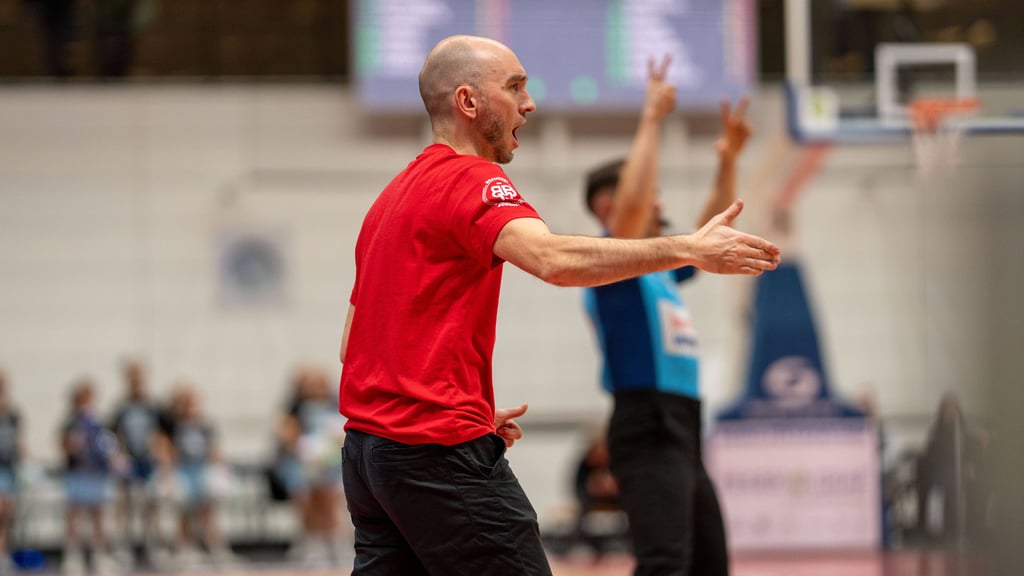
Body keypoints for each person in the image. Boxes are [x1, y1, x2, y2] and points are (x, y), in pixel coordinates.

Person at [338, 35, 780, 576]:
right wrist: (688, 245)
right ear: (468, 102)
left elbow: (353, 343)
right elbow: (549, 258)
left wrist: (458, 403)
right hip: (434, 449)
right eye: (515, 87)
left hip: (371, 455)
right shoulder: (470, 177)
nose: (530, 103)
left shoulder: (389, 199)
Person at [580, 55, 751, 576]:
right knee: (664, 562)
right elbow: (632, 212)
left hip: (683, 426)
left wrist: (727, 159)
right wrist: (651, 118)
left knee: (707, 561)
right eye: (648, 192)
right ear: (609, 204)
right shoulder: (612, 263)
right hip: (646, 422)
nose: (658, 200)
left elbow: (708, 237)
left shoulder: (659, 270)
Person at [60, 379, 121, 575]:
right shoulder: (70, 423)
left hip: (96, 475)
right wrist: (74, 442)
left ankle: (99, 554)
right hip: (77, 474)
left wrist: (113, 459)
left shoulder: (99, 423)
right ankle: (73, 555)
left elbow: (109, 446)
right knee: (74, 515)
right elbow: (64, 447)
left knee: (98, 515)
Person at [108, 358, 162, 568]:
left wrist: (159, 451)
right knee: (126, 505)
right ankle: (124, 547)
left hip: (148, 461)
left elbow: (163, 433)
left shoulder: (153, 406)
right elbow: (112, 435)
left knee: (151, 505)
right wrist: (117, 455)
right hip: (129, 460)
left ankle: (152, 545)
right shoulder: (121, 407)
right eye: (133, 378)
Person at [0, 372, 23, 574]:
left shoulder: (12, 414)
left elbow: (17, 441)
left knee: (7, 514)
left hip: (8, 469)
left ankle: (4, 553)